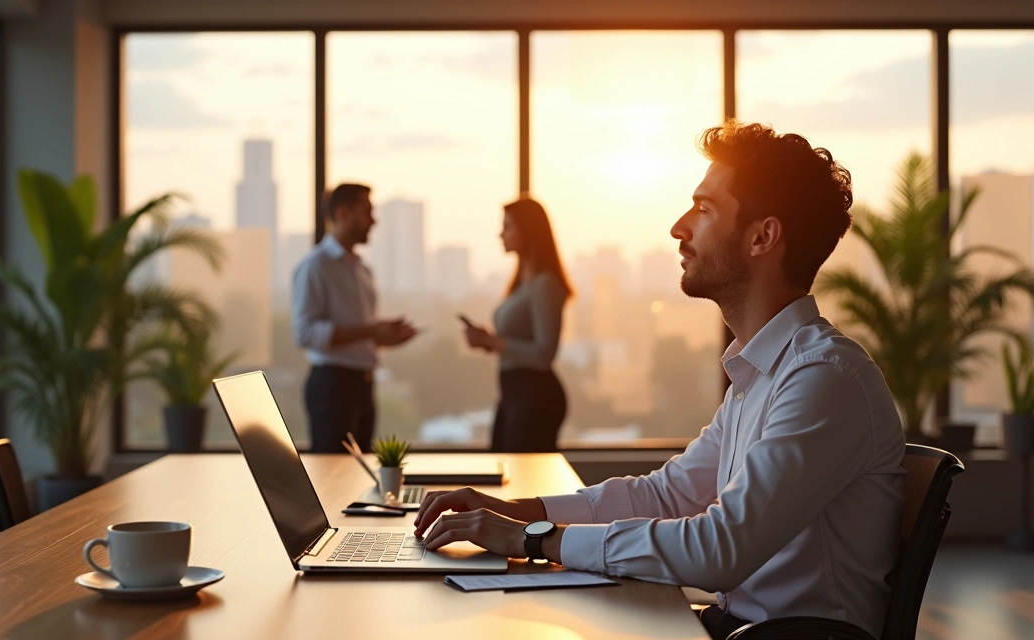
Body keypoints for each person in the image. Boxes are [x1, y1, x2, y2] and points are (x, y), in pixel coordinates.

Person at [413, 121, 906, 640]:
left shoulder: (822, 379)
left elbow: (719, 550)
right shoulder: (762, 374)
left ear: (763, 236)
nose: (679, 227)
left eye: (704, 209)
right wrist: (515, 511)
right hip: (730, 628)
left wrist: (534, 538)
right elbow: (667, 496)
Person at [291, 183, 417, 453]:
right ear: (344, 213)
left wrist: (385, 337)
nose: (374, 220)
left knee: (358, 477)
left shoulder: (362, 269)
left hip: (363, 385)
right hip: (333, 387)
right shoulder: (316, 266)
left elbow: (361, 332)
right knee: (332, 476)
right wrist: (372, 332)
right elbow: (304, 333)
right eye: (367, 212)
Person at [463, 196, 572, 452]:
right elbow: (519, 344)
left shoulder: (545, 285)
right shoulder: (523, 283)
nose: (501, 234)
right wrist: (488, 342)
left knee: (523, 479)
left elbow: (544, 354)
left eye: (507, 227)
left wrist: (492, 342)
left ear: (528, 231)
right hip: (514, 394)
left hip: (535, 397)